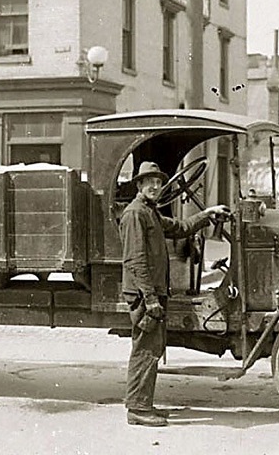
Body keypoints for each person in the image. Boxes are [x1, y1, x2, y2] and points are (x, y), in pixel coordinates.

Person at [118, 161, 230, 427]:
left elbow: (180, 227)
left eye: (158, 182)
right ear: (139, 185)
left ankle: (141, 403)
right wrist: (151, 299)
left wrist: (208, 213)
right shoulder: (135, 214)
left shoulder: (150, 212)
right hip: (146, 295)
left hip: (153, 292)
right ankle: (138, 409)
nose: (155, 186)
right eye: (150, 182)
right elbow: (136, 261)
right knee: (145, 349)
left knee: (151, 348)